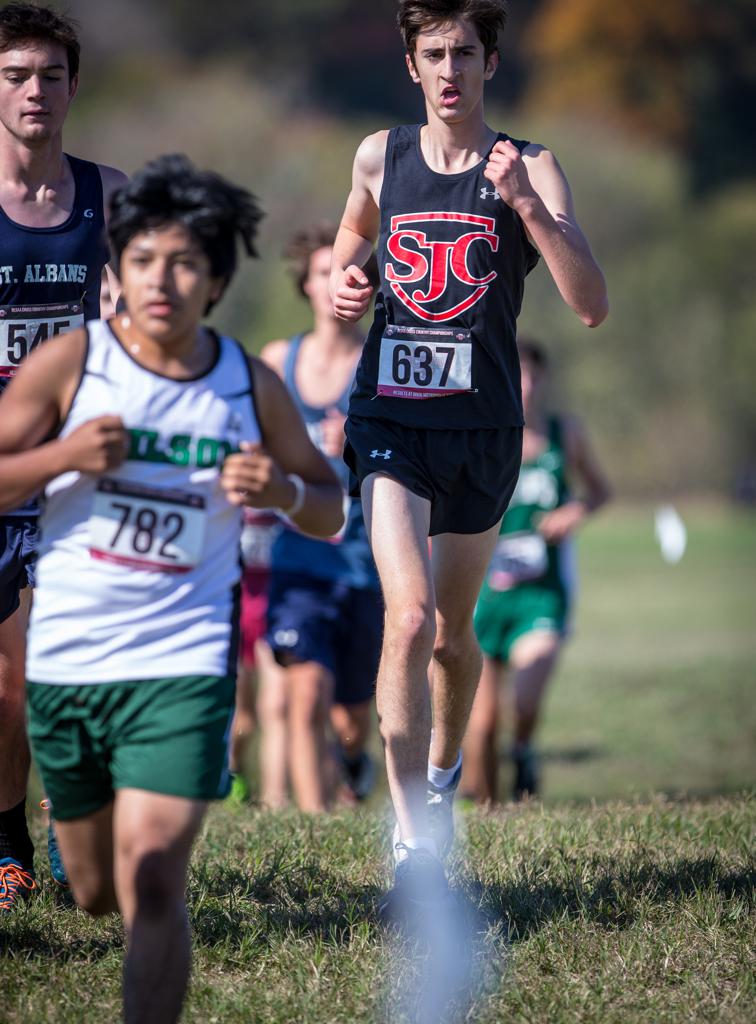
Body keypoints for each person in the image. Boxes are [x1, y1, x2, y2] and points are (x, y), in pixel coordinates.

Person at [0, 154, 343, 1023]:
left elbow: (331, 509)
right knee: (93, 892)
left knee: (155, 877)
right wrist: (61, 460)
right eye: (145, 259)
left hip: (185, 662)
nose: (163, 280)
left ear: (217, 279)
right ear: (116, 269)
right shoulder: (72, 367)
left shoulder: (248, 384)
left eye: (186, 262)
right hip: (72, 665)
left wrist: (283, 494)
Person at [329, 0, 608, 915]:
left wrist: (529, 208)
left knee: (452, 636)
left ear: (491, 61)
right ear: (411, 65)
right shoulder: (381, 155)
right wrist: (347, 281)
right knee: (405, 622)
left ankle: (444, 778)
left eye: (465, 53)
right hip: (389, 422)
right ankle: (413, 840)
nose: (449, 70)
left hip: (484, 431)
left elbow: (590, 302)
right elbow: (348, 249)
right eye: (432, 54)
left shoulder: (529, 164)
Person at [0, 1, 127, 906]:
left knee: (70, 671)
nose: (33, 91)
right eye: (14, 75)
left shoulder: (107, 193)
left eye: (49, 75)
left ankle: (66, 828)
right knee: (8, 685)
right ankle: (6, 845)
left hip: (79, 469)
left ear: (74, 87)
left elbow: (147, 316)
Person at [262, 223, 382, 812]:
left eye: (349, 273)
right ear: (305, 285)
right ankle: (314, 823)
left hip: (369, 563)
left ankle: (355, 762)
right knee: (303, 691)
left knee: (353, 713)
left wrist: (355, 446)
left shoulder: (384, 359)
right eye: (323, 273)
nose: (336, 284)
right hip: (298, 560)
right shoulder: (276, 362)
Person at [461, 339, 611, 803]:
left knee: (524, 701)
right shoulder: (475, 434)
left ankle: (523, 747)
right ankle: (489, 814)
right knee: (481, 723)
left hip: (540, 595)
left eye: (531, 375)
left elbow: (600, 491)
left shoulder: (565, 433)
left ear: (542, 380)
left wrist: (574, 512)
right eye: (514, 374)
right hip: (481, 595)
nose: (523, 386)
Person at [226, 505, 287, 808]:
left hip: (276, 608)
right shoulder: (226, 483)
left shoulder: (287, 477)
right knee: (243, 717)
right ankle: (235, 772)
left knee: (276, 708)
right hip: (233, 609)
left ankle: (275, 798)